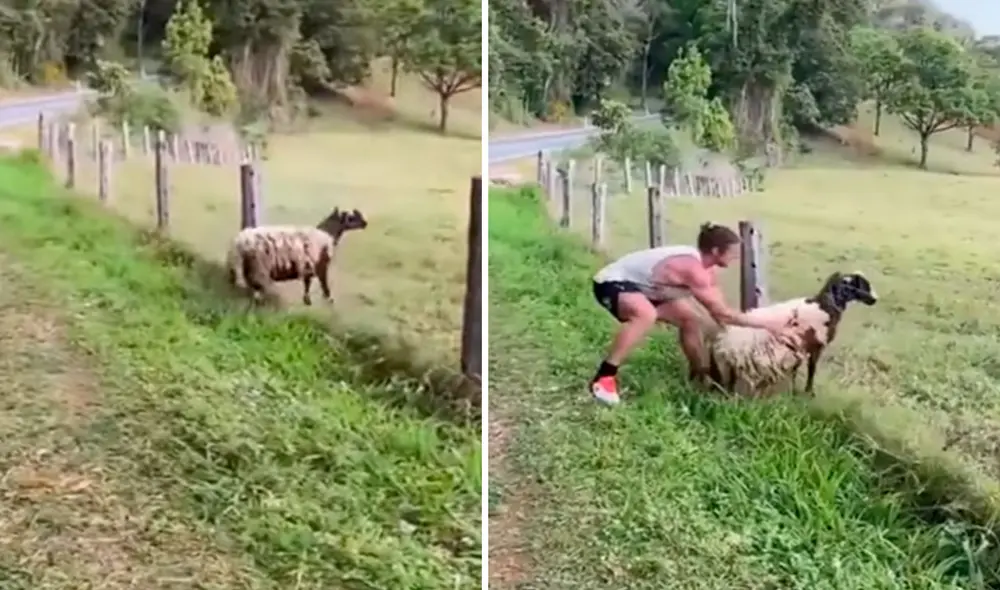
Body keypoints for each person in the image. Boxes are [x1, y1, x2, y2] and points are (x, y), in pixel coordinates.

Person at [589, 222, 793, 405]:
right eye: (732, 252)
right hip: (611, 282)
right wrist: (768, 325)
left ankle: (700, 376)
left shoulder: (708, 269)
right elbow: (724, 315)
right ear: (715, 250)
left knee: (691, 320)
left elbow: (720, 312)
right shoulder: (693, 269)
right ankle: (604, 377)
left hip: (649, 289)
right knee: (645, 315)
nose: (735, 257)